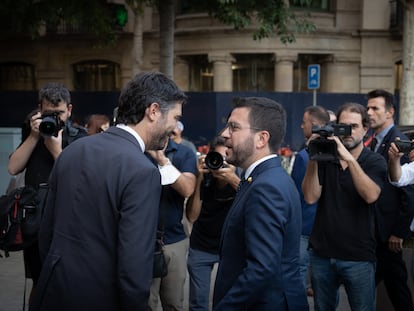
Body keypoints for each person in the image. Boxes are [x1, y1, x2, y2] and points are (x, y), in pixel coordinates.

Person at [28, 72, 188, 311]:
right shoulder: (143, 171)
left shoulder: (74, 150)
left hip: (52, 293)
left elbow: (47, 233)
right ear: (153, 111)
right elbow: (134, 266)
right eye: (175, 118)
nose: (175, 127)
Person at [212, 96, 308, 311]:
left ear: (261, 139)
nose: (224, 134)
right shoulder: (262, 179)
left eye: (233, 127)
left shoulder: (266, 187)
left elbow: (262, 269)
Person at [302, 102, 387, 311]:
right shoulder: (325, 158)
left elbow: (370, 195)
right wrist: (315, 155)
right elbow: (310, 197)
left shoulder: (374, 161)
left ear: (366, 129)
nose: (347, 132)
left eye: (354, 126)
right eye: (342, 126)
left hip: (358, 256)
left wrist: (347, 157)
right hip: (322, 254)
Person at [7, 83, 88, 301]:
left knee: (65, 280)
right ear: (39, 110)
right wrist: (34, 137)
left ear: (69, 110)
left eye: (59, 113)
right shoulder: (32, 132)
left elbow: (81, 181)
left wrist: (56, 151)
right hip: (36, 222)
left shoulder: (80, 137)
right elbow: (13, 168)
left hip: (68, 221)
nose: (54, 119)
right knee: (40, 280)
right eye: (48, 113)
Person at [365, 89, 414, 311]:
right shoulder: (373, 141)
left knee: (396, 287)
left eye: (375, 108)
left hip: (389, 235)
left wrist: (399, 231)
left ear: (390, 112)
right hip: (374, 232)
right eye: (368, 108)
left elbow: (408, 192)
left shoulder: (400, 142)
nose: (369, 112)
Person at [186, 136, 240, 311]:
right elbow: (192, 217)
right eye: (218, 158)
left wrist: (232, 179)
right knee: (198, 303)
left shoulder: (242, 179)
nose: (222, 163)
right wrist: (199, 179)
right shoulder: (205, 178)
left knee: (227, 301)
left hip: (229, 248)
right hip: (201, 245)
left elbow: (253, 202)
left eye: (227, 157)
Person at [147, 137, 197, 311]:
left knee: (174, 303)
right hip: (142, 240)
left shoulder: (184, 152)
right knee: (146, 303)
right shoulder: (136, 150)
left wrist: (162, 160)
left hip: (174, 239)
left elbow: (188, 189)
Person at [290, 105, 330, 296]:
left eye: (304, 122)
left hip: (304, 225)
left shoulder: (303, 156)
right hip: (326, 228)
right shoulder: (335, 155)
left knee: (297, 275)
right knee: (324, 281)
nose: (301, 126)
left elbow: (296, 193)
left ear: (313, 125)